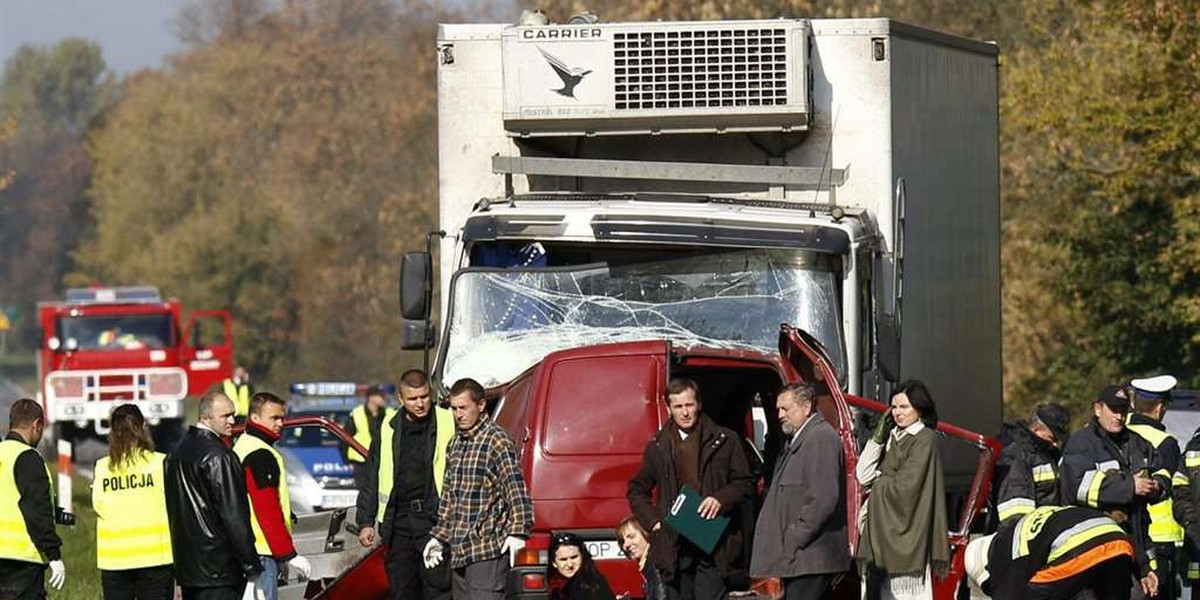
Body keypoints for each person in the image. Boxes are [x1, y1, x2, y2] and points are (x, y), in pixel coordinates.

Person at [627, 377, 755, 600]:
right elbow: (637, 489)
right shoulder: (658, 446)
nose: (684, 412)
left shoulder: (726, 440)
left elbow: (744, 482)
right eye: (678, 406)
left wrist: (721, 499)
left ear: (699, 405)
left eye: (689, 405)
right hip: (675, 546)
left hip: (714, 544)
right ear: (669, 409)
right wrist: (655, 522)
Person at [422, 378, 534, 600]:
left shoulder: (497, 441)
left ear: (481, 405)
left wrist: (518, 530)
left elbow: (516, 490)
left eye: (463, 408)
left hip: (487, 549)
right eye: (454, 409)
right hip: (460, 550)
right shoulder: (455, 444)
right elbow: (449, 498)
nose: (458, 414)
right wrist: (439, 537)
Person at [1059, 385, 1163, 598]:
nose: (1119, 416)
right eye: (1113, 410)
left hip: (1130, 547)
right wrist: (1129, 486)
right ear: (1098, 409)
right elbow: (1077, 487)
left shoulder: (1136, 443)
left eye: (1123, 411)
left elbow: (1164, 469)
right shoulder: (1081, 444)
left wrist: (1156, 485)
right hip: (1088, 553)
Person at [356, 370, 452, 600]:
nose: (420, 404)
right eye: (413, 399)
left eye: (424, 396)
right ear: (400, 399)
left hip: (435, 519)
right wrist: (366, 521)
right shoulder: (388, 427)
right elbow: (373, 475)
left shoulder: (448, 420)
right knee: (402, 589)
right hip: (399, 521)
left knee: (438, 589)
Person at [750, 383, 848, 600]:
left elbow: (823, 499)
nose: (779, 415)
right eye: (778, 409)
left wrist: (794, 538)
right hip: (800, 560)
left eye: (786, 409)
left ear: (806, 407)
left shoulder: (820, 438)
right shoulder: (800, 439)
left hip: (810, 559)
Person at [855, 380, 949, 600]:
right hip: (878, 533)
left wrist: (880, 480)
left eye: (904, 407)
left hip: (907, 536)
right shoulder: (892, 435)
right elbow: (863, 475)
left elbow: (906, 489)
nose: (897, 413)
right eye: (894, 407)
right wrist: (878, 438)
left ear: (919, 408)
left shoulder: (925, 440)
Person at [165, 391, 262, 600]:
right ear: (205, 418)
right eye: (225, 416)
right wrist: (251, 564)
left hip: (188, 567)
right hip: (220, 569)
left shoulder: (175, 452)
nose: (232, 420)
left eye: (233, 414)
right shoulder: (219, 456)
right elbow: (233, 514)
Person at [964, 505, 1138, 600]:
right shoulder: (1017, 529)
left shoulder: (1006, 558)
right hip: (1120, 542)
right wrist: (1143, 567)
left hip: (1076, 548)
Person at [233, 392, 312, 600]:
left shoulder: (244, 444)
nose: (280, 423)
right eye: (274, 418)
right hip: (262, 551)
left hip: (252, 548)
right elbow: (266, 509)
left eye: (282, 417)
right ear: (255, 418)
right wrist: (288, 554)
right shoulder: (260, 453)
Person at [92, 404, 174, 600]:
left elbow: (98, 506)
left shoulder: (103, 468)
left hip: (115, 561)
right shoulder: (160, 463)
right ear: (143, 427)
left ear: (112, 432)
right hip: (155, 559)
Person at [1125, 375, 1184, 600]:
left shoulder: (1118, 434)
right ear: (1159, 408)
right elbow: (1174, 487)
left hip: (1124, 534)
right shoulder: (1164, 442)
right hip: (1159, 539)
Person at [0, 398, 65, 600]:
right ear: (36, 424)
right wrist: (53, 554)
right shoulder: (27, 457)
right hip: (20, 563)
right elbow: (36, 509)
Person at [994, 403, 1072, 523]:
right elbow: (1015, 511)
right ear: (1035, 428)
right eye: (1052, 438)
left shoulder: (1048, 452)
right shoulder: (1016, 456)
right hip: (1028, 533)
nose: (1056, 445)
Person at [345, 384, 396, 490]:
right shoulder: (357, 414)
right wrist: (347, 461)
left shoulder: (390, 413)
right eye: (381, 396)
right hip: (361, 461)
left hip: (383, 460)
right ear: (371, 397)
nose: (384, 398)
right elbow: (345, 438)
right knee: (364, 492)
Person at [548, 532, 617, 600]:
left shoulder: (594, 585)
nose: (570, 564)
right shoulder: (552, 585)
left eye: (574, 557)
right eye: (563, 559)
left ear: (582, 557)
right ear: (554, 563)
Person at [617, 516, 666, 600]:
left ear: (646, 533)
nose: (626, 545)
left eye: (631, 537)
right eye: (623, 541)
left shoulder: (656, 566)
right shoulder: (648, 565)